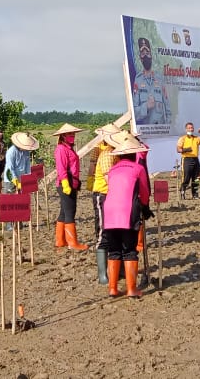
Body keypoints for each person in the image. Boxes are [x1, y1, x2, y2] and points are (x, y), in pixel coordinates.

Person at [101, 135, 152, 298]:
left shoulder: (113, 169)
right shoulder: (138, 169)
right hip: (127, 212)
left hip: (109, 212)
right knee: (129, 250)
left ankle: (113, 288)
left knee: (114, 250)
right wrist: (145, 207)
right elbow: (144, 192)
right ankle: (131, 289)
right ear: (134, 154)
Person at [89, 124, 121, 284]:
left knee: (114, 232)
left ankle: (115, 268)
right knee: (103, 232)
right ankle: (102, 274)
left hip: (112, 195)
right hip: (103, 194)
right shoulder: (108, 154)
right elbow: (111, 180)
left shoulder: (116, 153)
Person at [53, 123, 88, 251]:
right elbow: (61, 168)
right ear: (63, 136)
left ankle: (60, 240)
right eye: (69, 134)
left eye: (73, 134)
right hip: (65, 184)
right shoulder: (61, 149)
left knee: (63, 212)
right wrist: (66, 184)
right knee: (70, 212)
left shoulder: (69, 148)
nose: (72, 136)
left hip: (71, 183)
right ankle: (72, 243)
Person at [132, 38, 170, 125]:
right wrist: (146, 106)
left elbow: (167, 106)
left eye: (148, 53)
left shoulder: (159, 78)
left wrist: (168, 126)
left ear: (151, 56)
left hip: (162, 129)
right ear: (140, 58)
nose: (146, 57)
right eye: (143, 54)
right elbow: (134, 112)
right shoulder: (138, 80)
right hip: (147, 132)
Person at [177, 122, 200, 200]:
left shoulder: (196, 138)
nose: (191, 129)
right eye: (189, 128)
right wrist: (186, 149)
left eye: (192, 128)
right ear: (186, 129)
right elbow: (178, 149)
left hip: (195, 159)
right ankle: (182, 192)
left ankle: (195, 194)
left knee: (197, 177)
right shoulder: (182, 138)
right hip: (187, 159)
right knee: (186, 178)